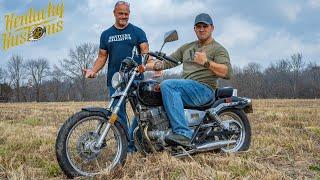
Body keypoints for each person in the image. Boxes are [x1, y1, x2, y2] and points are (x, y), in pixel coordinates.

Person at [145, 13, 233, 146]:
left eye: (205, 26)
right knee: (147, 95)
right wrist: (144, 67)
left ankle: (183, 133)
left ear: (212, 28)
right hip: (187, 88)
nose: (202, 29)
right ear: (194, 29)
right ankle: (136, 142)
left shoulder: (218, 49)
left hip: (204, 90)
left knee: (168, 85)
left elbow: (227, 72)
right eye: (198, 26)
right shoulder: (187, 47)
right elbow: (166, 63)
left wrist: (206, 62)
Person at [83, 1, 149, 152]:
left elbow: (146, 53)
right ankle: (126, 147)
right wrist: (93, 70)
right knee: (118, 115)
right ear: (114, 13)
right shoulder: (106, 34)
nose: (123, 16)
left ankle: (134, 142)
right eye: (121, 13)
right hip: (116, 81)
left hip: (135, 79)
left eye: (126, 14)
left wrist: (152, 65)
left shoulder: (137, 32)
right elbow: (101, 57)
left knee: (141, 113)